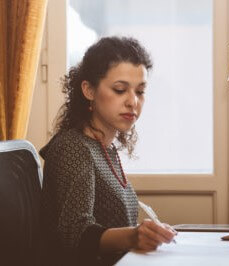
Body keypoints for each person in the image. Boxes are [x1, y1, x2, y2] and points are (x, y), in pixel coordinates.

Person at [39, 36, 177, 266]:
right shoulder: (74, 147)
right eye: (120, 89)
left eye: (140, 91)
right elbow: (76, 233)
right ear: (89, 90)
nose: (133, 102)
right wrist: (134, 236)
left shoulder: (105, 147)